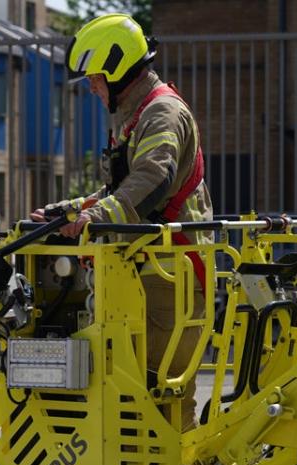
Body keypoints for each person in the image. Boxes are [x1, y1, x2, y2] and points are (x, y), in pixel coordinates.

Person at [33, 13, 213, 431]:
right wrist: (70, 210)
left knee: (159, 395)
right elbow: (123, 191)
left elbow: (153, 181)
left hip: (170, 276)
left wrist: (92, 216)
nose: (93, 88)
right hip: (151, 275)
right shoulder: (136, 115)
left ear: (117, 70)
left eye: (96, 78)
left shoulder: (161, 113)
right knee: (135, 394)